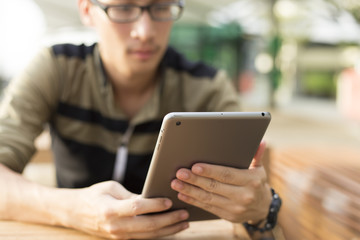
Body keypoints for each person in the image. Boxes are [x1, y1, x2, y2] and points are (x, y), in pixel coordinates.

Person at [0, 0, 280, 239]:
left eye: (160, 7)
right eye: (123, 8)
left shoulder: (206, 86)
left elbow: (251, 189)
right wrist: (72, 209)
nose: (145, 32)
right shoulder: (56, 69)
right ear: (87, 10)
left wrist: (260, 207)